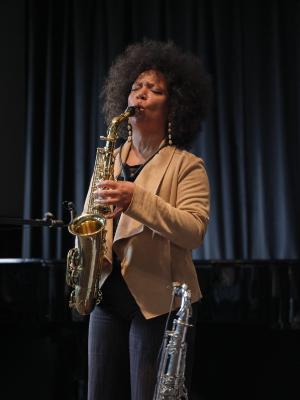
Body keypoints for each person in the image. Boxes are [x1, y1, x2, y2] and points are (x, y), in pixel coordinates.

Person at [86, 40, 212, 400]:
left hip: (158, 304)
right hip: (106, 300)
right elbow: (92, 223)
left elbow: (193, 231)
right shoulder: (108, 158)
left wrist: (134, 198)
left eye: (153, 89)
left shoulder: (187, 166)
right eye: (136, 87)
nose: (140, 94)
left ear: (173, 107)